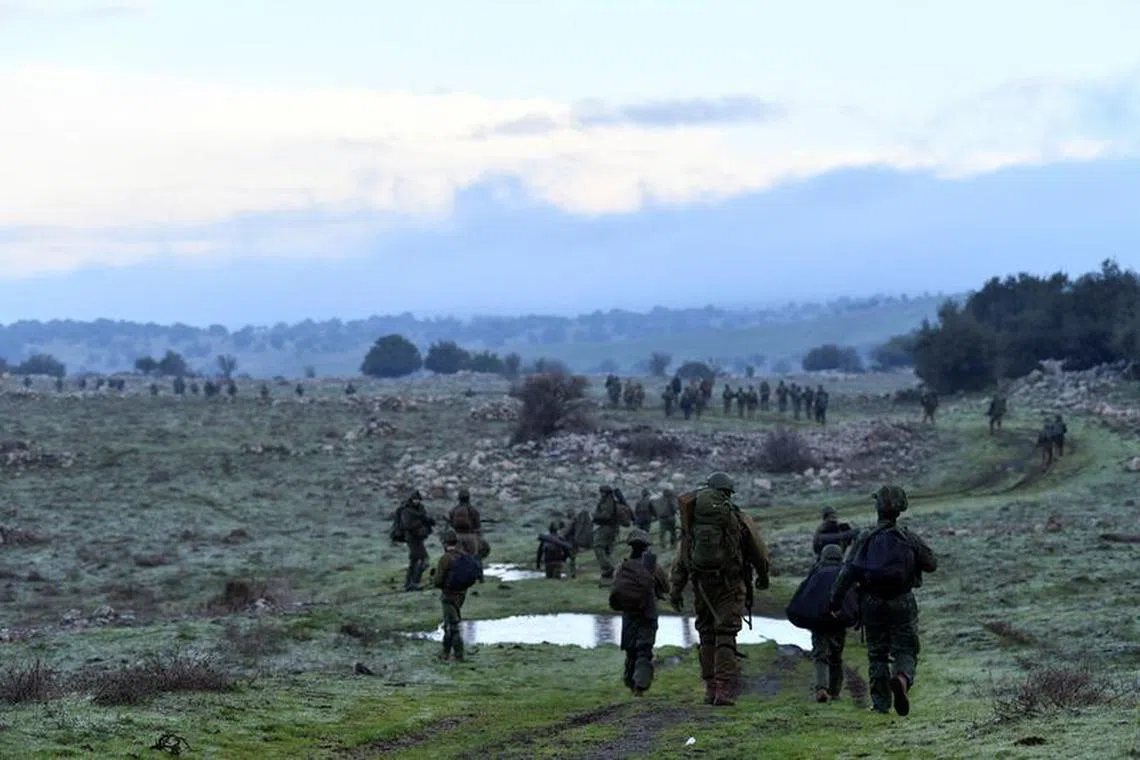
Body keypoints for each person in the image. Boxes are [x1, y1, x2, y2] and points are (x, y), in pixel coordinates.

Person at [829, 485, 937, 716]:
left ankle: (880, 704)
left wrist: (835, 602)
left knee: (877, 653)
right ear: (901, 509)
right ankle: (901, 678)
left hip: (872, 603)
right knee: (905, 649)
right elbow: (932, 565)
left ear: (877, 508)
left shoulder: (865, 538)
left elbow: (846, 572)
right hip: (903, 601)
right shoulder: (909, 537)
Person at [670, 472, 770, 706]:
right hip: (730, 585)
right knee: (725, 634)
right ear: (727, 493)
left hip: (702, 585)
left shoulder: (692, 522)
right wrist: (763, 577)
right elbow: (759, 553)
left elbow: (681, 560)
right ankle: (724, 690)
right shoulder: (738, 519)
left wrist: (676, 591)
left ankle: (710, 687)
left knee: (706, 634)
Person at [786, 544, 856, 702]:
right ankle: (835, 692)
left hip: (818, 621)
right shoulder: (844, 573)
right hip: (839, 620)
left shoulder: (816, 573)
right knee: (836, 657)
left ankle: (821, 688)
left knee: (820, 655)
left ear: (823, 556)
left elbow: (803, 595)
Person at [610, 529, 670, 696]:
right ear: (646, 546)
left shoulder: (623, 566)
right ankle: (640, 685)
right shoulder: (653, 567)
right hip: (648, 614)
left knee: (631, 650)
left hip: (629, 614)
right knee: (644, 650)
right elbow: (666, 587)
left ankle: (630, 682)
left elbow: (616, 589)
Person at [433, 530, 482, 661]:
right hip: (461, 595)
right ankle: (445, 653)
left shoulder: (445, 558)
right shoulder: (464, 556)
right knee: (449, 622)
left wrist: (436, 580)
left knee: (453, 626)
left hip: (448, 596)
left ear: (444, 543)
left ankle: (458, 655)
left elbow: (438, 581)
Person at [398, 491, 434, 591]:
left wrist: (428, 521)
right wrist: (420, 521)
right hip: (412, 539)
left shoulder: (420, 509)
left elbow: (424, 519)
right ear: (412, 499)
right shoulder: (407, 511)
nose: (417, 501)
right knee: (424, 560)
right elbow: (406, 525)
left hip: (419, 538)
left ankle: (409, 583)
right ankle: (414, 582)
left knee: (414, 561)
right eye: (415, 499)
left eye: (418, 500)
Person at [593, 485, 621, 584]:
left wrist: (595, 516)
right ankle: (610, 574)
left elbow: (606, 515)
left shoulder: (608, 502)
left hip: (607, 528)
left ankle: (608, 568)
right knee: (607, 550)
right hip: (611, 528)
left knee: (598, 547)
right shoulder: (611, 501)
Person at [448, 488, 482, 557]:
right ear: (468, 498)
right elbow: (478, 525)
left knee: (458, 557)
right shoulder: (472, 509)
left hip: (457, 536)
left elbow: (451, 523)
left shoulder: (454, 510)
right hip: (470, 536)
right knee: (473, 557)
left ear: (459, 498)